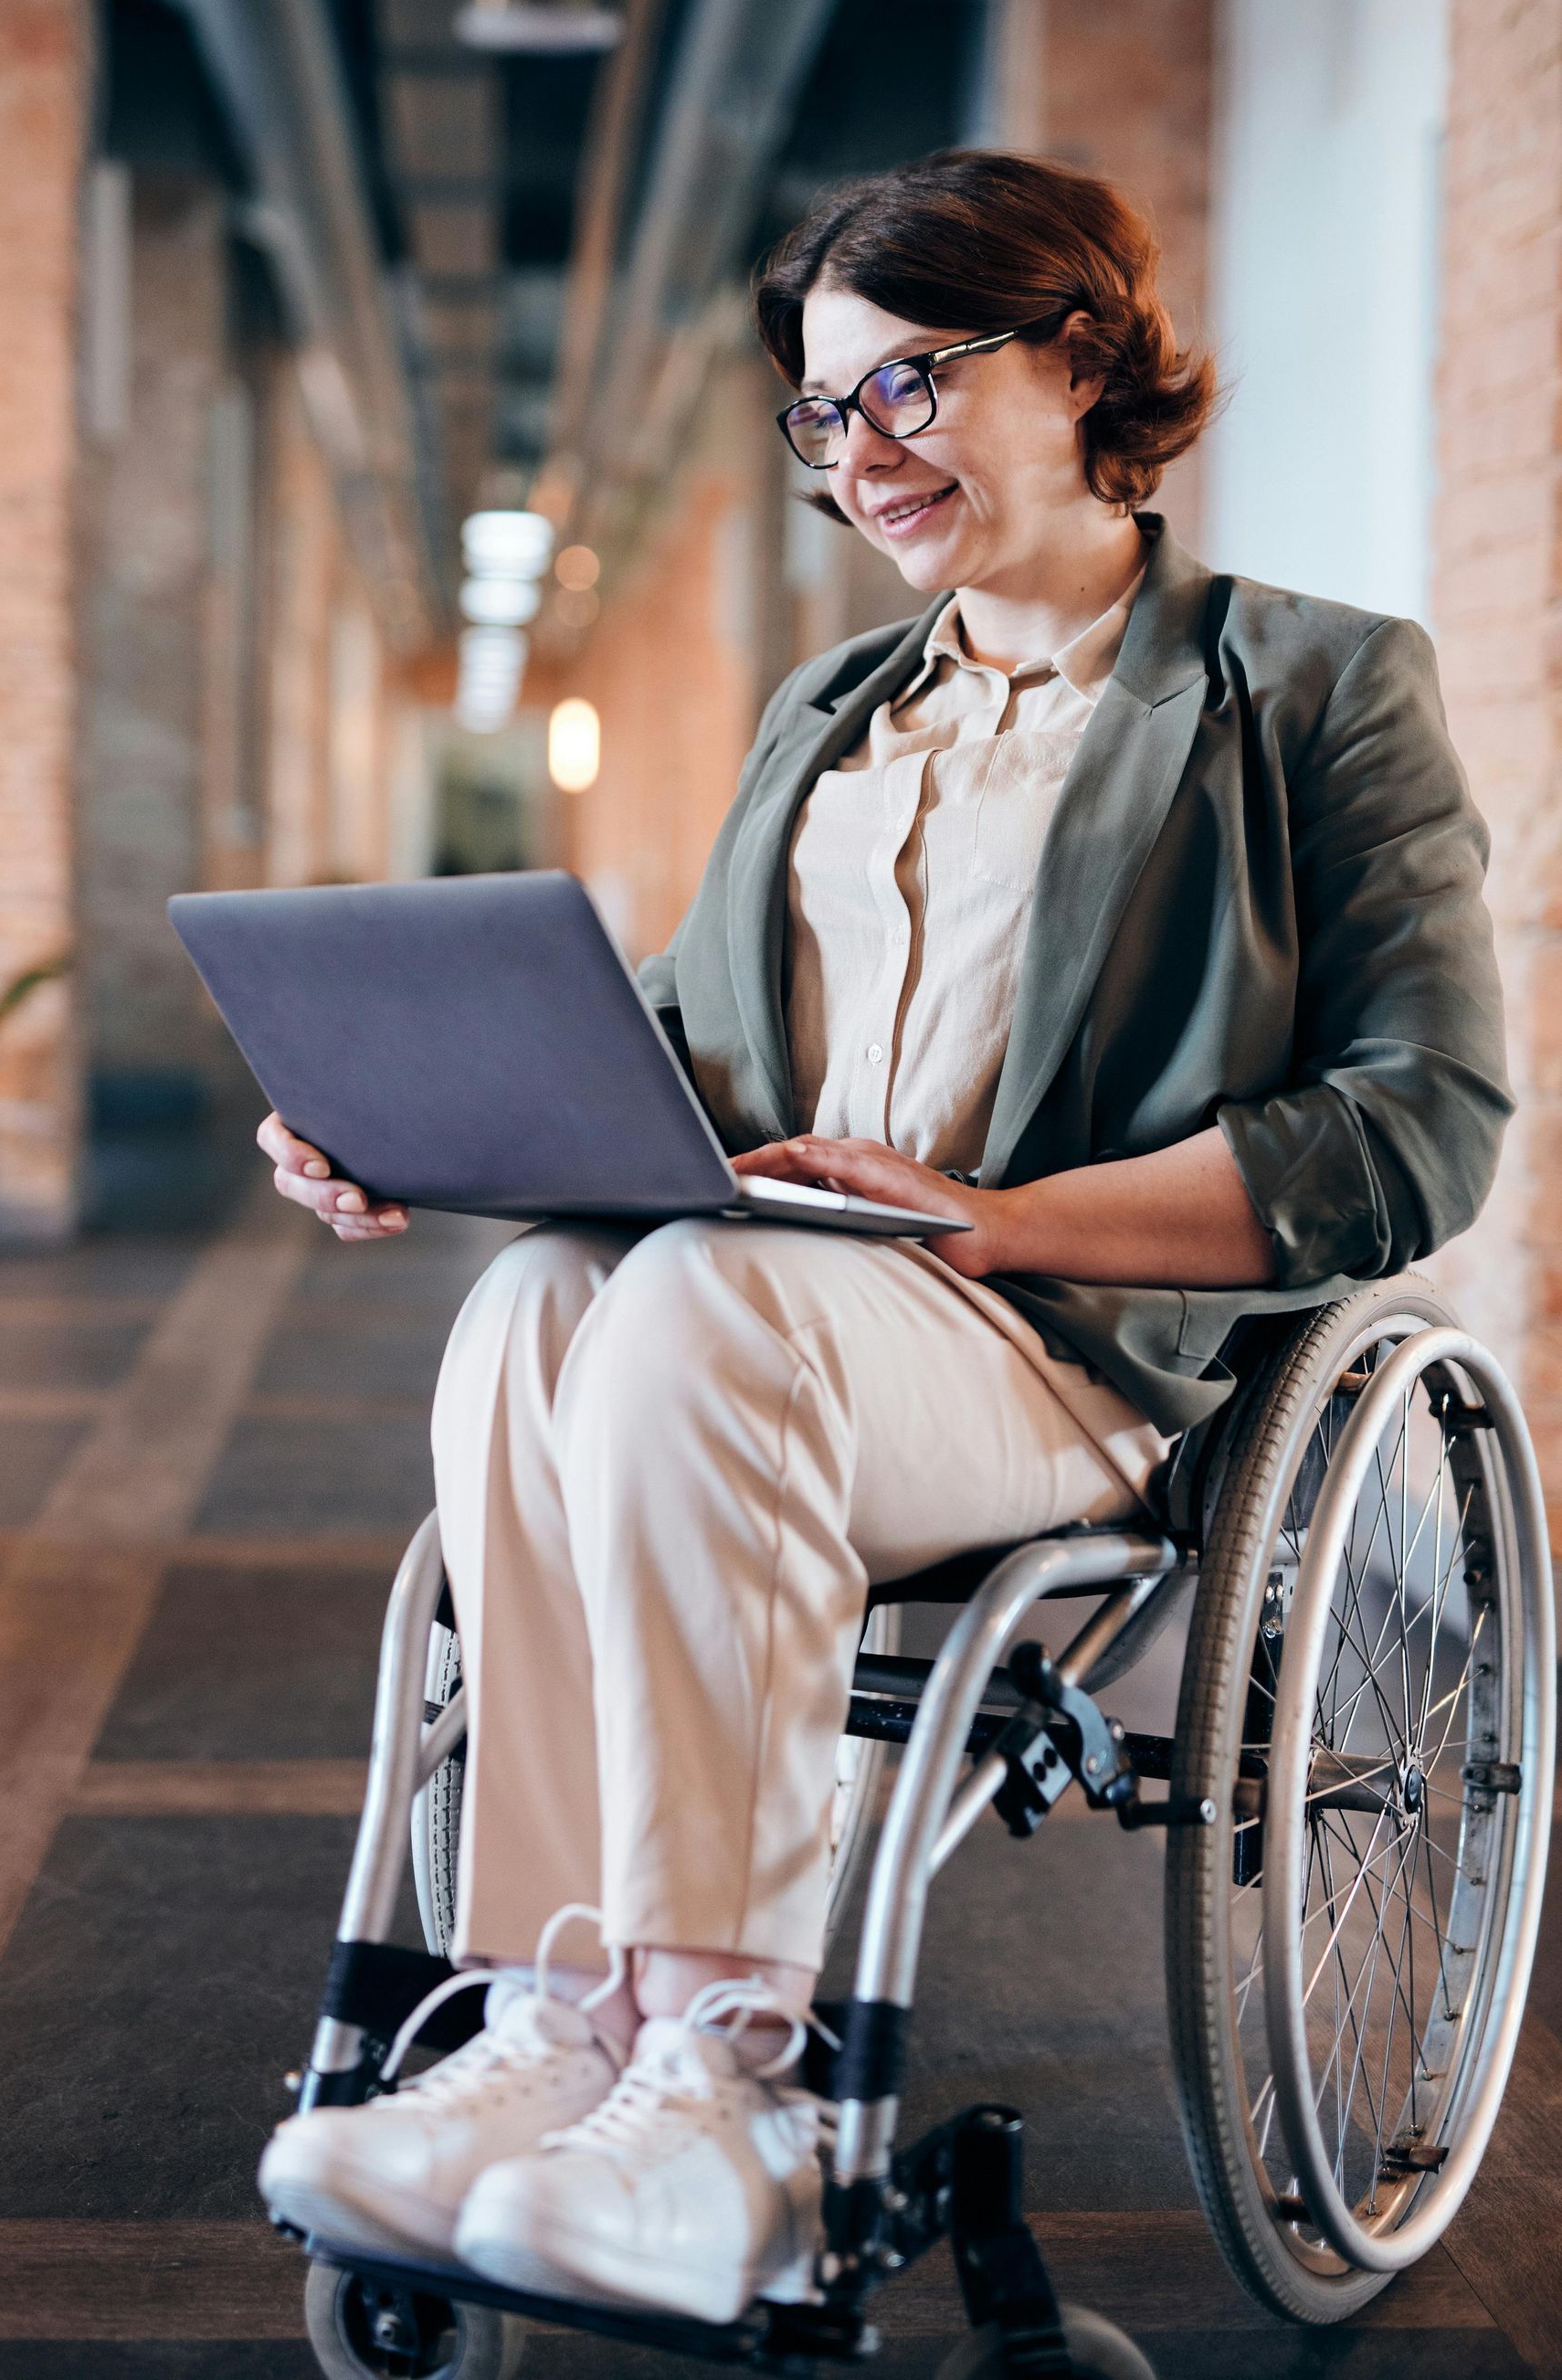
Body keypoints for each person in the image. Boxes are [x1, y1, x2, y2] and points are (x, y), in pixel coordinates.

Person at [256, 150, 1510, 2323]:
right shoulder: (825, 716)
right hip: (762, 1319)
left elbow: (1423, 1127)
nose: (865, 456)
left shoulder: (1310, 690)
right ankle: (555, 2017)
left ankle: (730, 2075)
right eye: (825, 416)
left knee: (694, 1320)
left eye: (910, 385)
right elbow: (675, 1063)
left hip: (1059, 1348)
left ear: (1087, 354)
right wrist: (411, 1122)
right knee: (536, 1301)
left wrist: (1010, 1219)